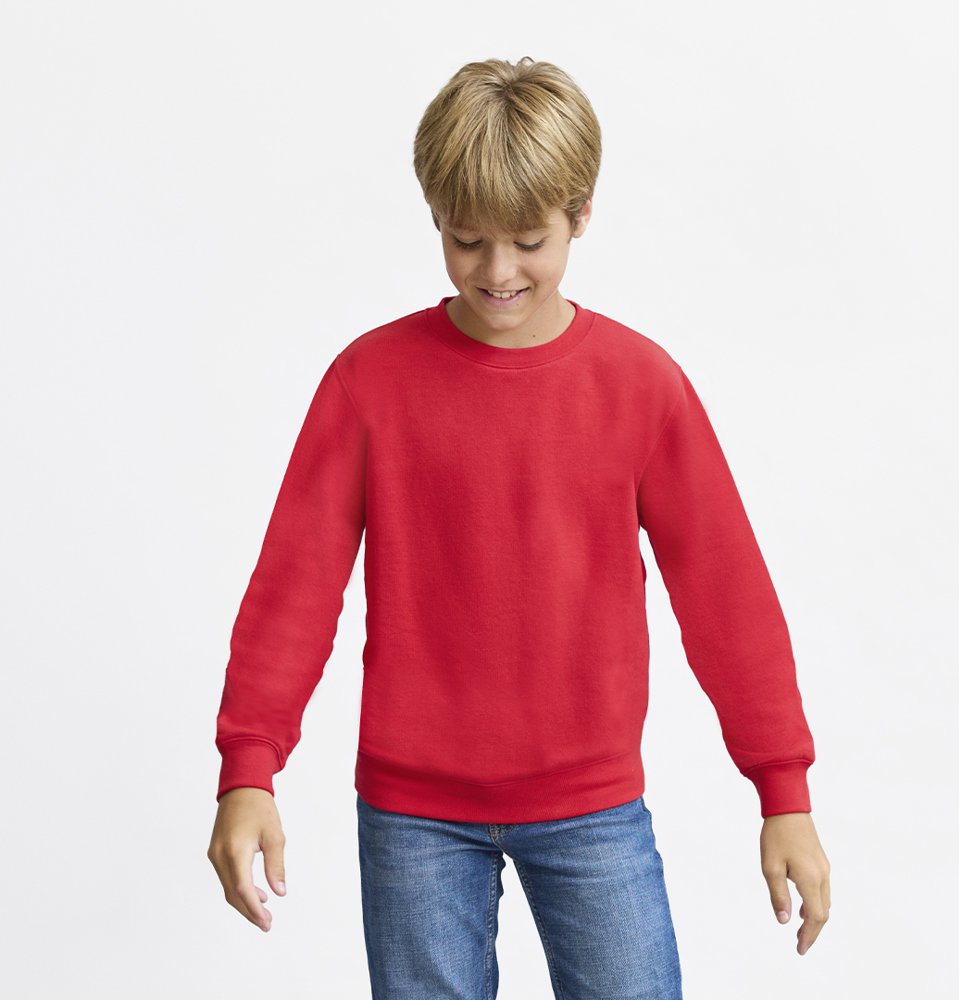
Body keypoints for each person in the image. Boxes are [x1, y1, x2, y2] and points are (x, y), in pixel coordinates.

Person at [207, 57, 831, 999]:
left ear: (582, 215)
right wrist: (248, 770)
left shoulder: (641, 387)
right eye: (466, 241)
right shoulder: (369, 383)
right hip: (413, 815)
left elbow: (725, 593)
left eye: (529, 241)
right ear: (435, 218)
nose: (497, 273)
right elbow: (295, 586)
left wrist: (783, 790)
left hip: (592, 806)